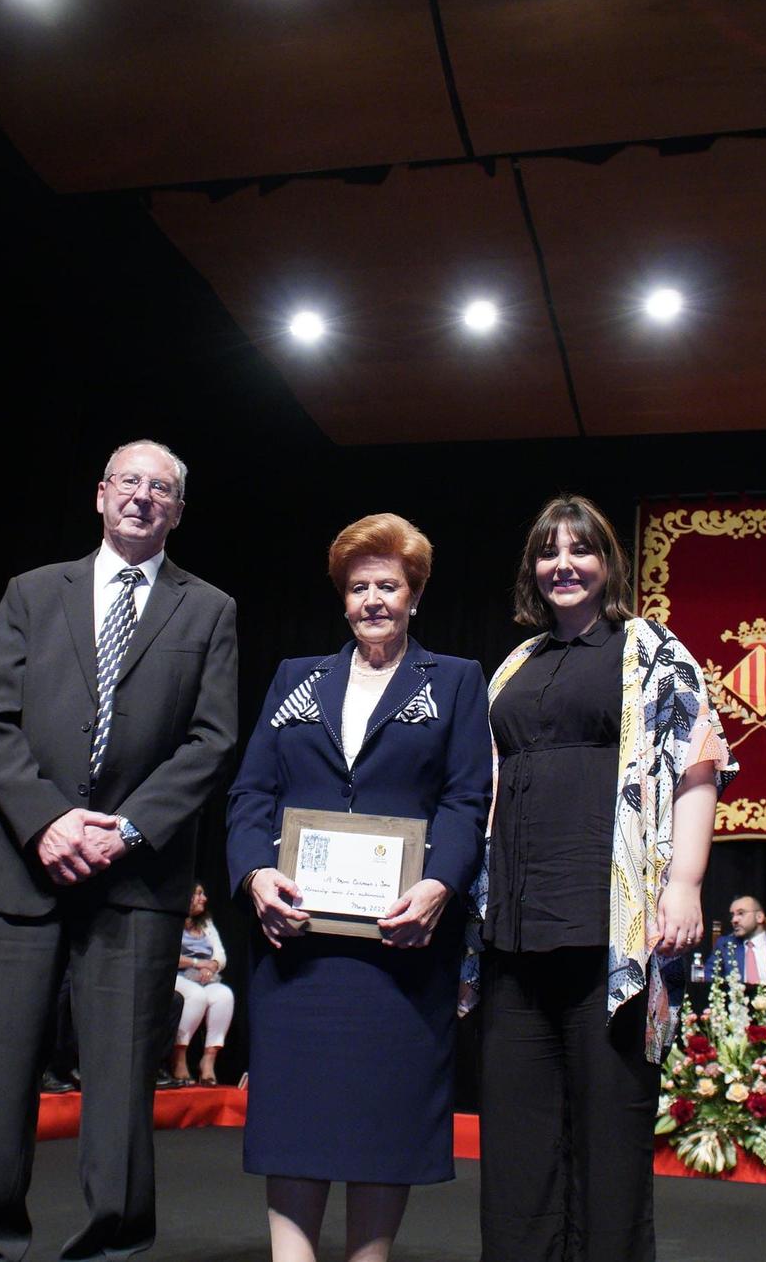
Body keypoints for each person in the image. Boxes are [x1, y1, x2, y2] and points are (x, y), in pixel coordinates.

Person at [0, 439, 238, 1262]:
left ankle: (113, 1244)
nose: (143, 497)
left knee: (118, 1079)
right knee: (1, 1071)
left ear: (178, 511)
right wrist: (47, 821)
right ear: (101, 495)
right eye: (130, 483)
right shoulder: (32, 593)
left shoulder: (210, 609)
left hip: (136, 875)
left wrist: (126, 827)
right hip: (23, 865)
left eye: (162, 489)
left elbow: (212, 741)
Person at [477, 495, 737, 1262]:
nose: (563, 564)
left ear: (607, 563)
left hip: (610, 934)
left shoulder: (651, 649)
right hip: (514, 937)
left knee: (609, 1137)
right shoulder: (515, 665)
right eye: (547, 551)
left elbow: (700, 765)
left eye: (579, 549)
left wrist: (684, 883)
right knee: (517, 1144)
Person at [227, 513, 489, 1262]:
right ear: (342, 599)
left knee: (385, 1114)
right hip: (297, 941)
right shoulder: (295, 678)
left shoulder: (457, 681)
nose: (374, 599)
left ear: (415, 595)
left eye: (389, 585)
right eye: (359, 587)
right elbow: (251, 794)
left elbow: (467, 799)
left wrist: (441, 883)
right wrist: (254, 874)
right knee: (296, 1114)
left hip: (401, 944)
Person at [169, 883, 231, 1087]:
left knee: (223, 995)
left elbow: (220, 954)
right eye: (197, 894)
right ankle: (179, 1057)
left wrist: (211, 966)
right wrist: (196, 963)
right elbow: (167, 955)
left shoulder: (206, 923)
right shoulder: (173, 920)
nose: (203, 898)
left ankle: (208, 1061)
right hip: (175, 976)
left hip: (204, 978)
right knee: (196, 996)